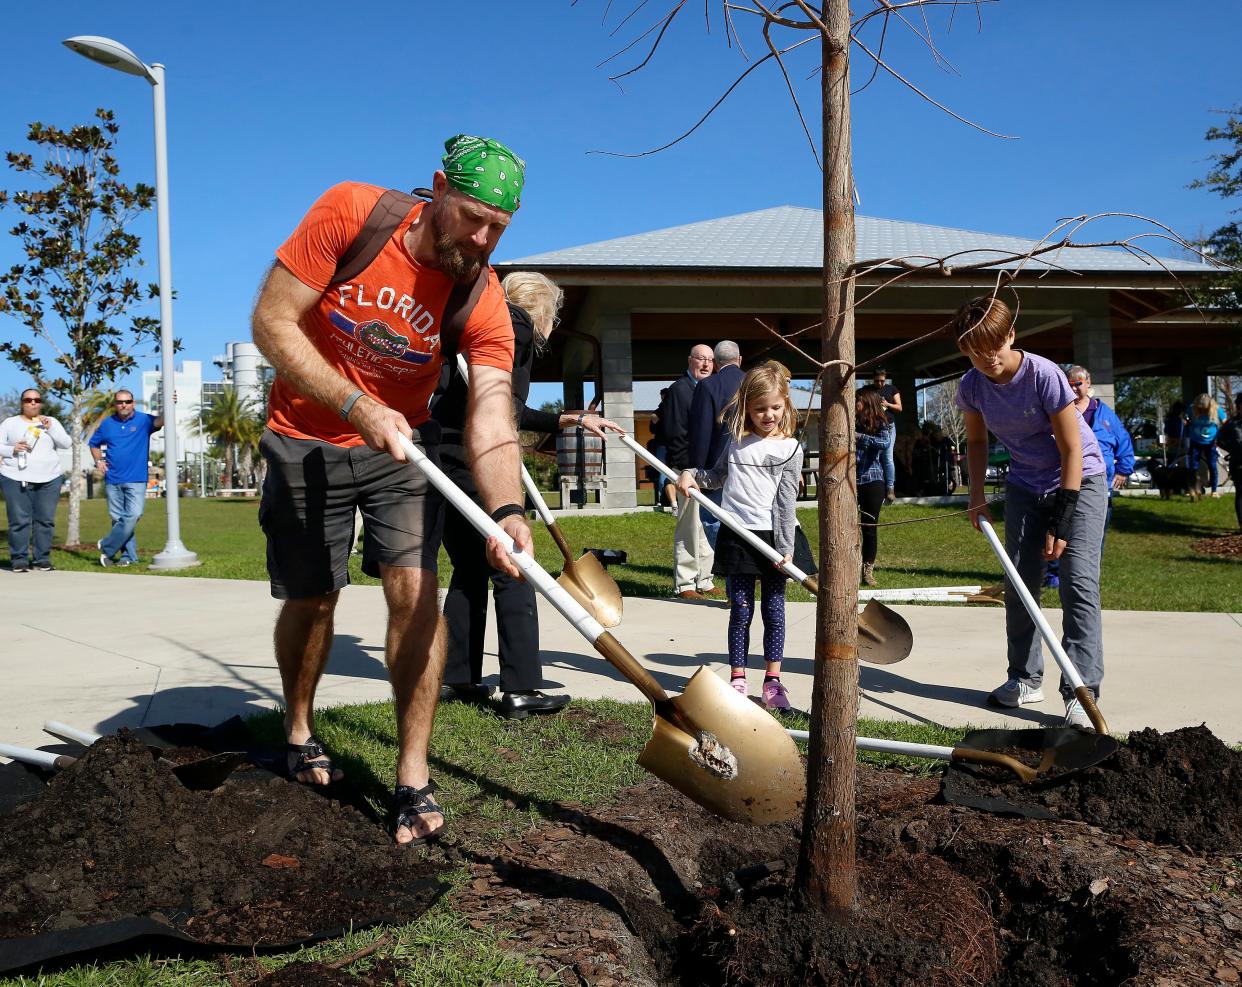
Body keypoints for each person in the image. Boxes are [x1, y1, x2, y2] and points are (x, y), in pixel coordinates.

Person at [250, 135, 533, 847]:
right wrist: (353, 404)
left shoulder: (481, 293)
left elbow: (493, 412)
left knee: (416, 593)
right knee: (313, 596)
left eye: (500, 226)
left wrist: (507, 509)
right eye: (472, 216)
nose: (482, 237)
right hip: (304, 436)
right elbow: (272, 319)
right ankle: (300, 727)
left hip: (401, 446)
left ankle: (412, 776)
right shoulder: (353, 214)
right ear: (438, 188)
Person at [435, 270, 622, 718]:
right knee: (515, 565)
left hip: (444, 457)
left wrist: (570, 419)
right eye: (554, 314)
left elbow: (498, 405)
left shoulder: (476, 326)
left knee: (468, 567)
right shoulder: (513, 327)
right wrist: (569, 420)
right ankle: (522, 687)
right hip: (474, 462)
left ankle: (456, 675)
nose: (553, 324)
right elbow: (507, 408)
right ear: (541, 307)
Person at [953, 296, 1108, 730]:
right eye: (975, 353)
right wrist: (976, 494)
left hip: (1080, 479)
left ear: (1011, 336)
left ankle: (1082, 688)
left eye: (994, 351)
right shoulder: (972, 386)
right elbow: (978, 443)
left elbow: (1072, 447)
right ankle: (1024, 678)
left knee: (1078, 583)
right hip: (1024, 483)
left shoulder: (1044, 375)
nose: (987, 362)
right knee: (1020, 582)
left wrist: (1062, 517)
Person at [676, 364, 810, 712]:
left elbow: (785, 502)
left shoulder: (791, 448)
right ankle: (738, 679)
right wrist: (692, 475)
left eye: (776, 407)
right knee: (741, 608)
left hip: (775, 539)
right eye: (761, 408)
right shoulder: (736, 443)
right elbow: (718, 476)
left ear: (786, 405)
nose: (769, 415)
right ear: (748, 407)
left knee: (775, 609)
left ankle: (773, 682)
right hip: (738, 535)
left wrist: (785, 548)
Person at [1044, 365, 1134, 589]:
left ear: (1089, 383)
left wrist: (1124, 469)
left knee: (1093, 535)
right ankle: (1054, 575)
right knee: (1058, 527)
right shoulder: (1060, 410)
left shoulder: (1105, 415)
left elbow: (1123, 442)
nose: (1074, 388)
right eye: (1070, 384)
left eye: (1079, 383)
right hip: (1063, 482)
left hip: (1097, 484)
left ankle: (1088, 577)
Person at [658, 344, 716, 599]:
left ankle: (704, 579)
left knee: (703, 526)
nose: (705, 364)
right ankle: (685, 583)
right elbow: (675, 434)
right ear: (690, 361)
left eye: (710, 360)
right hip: (686, 473)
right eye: (701, 359)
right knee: (688, 526)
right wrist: (687, 471)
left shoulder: (708, 390)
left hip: (706, 472)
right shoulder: (679, 391)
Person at [89, 389, 165, 566]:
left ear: (133, 403)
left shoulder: (143, 420)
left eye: (128, 401)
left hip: (136, 478)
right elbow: (94, 444)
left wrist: (169, 405)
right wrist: (98, 460)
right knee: (119, 520)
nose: (124, 405)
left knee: (134, 514)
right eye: (120, 402)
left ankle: (107, 546)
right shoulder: (107, 424)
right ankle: (128, 557)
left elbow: (160, 421)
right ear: (115, 405)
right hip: (113, 479)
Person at [1, 388, 70, 572]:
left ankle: (42, 559)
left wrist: (51, 428)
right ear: (22, 403)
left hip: (49, 478)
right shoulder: (10, 423)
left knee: (45, 520)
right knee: (19, 520)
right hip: (15, 476)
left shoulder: (51, 422)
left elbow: (66, 443)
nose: (33, 403)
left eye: (37, 400)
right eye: (28, 400)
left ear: (41, 403)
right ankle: (19, 559)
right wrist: (11, 449)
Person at [687, 340, 744, 549]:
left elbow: (701, 432)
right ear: (739, 360)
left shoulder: (708, 385)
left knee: (713, 519)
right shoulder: (754, 382)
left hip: (716, 467)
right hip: (751, 464)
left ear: (716, 364)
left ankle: (728, 565)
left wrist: (699, 472)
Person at [855, 385, 892, 587]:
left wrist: (860, 437)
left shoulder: (880, 422)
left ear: (866, 402)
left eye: (858, 400)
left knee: (869, 528)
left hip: (872, 481)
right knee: (848, 528)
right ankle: (850, 566)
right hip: (850, 482)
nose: (855, 404)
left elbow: (885, 443)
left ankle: (868, 572)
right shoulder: (849, 420)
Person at [1185, 393, 1227, 497]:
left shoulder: (1217, 410)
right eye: (1200, 409)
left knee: (1212, 466)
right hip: (1195, 441)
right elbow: (1185, 418)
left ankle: (1214, 491)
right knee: (1193, 467)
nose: (1202, 411)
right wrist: (1185, 421)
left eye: (1205, 409)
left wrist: (1222, 436)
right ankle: (1192, 489)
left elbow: (1226, 422)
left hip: (1211, 443)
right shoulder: (1192, 408)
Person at [872, 368, 902, 503]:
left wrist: (887, 404)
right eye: (877, 381)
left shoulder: (892, 389)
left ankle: (890, 488)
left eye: (882, 381)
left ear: (885, 379)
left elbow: (899, 407)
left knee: (888, 457)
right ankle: (877, 486)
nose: (879, 383)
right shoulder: (869, 390)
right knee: (876, 457)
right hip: (874, 428)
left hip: (889, 426)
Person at [1216, 403, 1242, 529]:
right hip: (1238, 462)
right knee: (1241, 493)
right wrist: (1233, 449)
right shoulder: (1231, 424)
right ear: (1239, 407)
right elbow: (1219, 440)